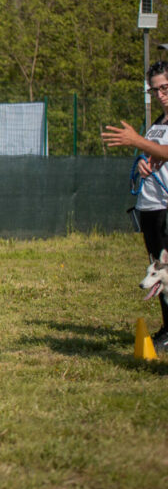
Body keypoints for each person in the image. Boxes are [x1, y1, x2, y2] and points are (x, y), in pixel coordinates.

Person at [101, 61, 168, 352]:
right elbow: (156, 154)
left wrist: (137, 141)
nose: (160, 95)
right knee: (160, 272)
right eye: (155, 90)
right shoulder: (158, 124)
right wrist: (143, 162)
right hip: (150, 206)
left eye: (165, 87)